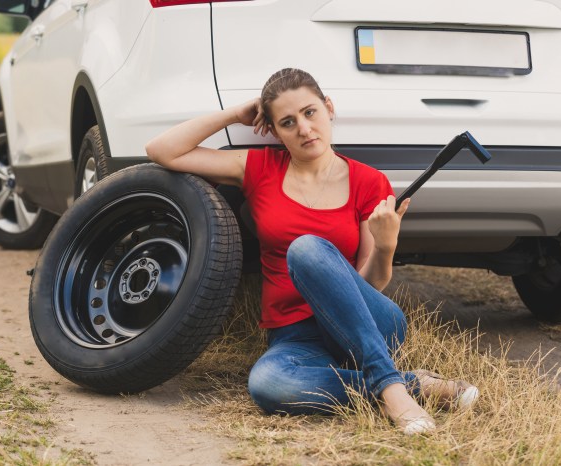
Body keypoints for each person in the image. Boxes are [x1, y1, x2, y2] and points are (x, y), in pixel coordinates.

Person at [146, 68, 478, 434]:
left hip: (368, 324)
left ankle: (391, 387)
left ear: (328, 108)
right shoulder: (258, 168)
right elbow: (161, 150)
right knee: (268, 384)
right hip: (295, 337)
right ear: (273, 131)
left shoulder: (369, 182)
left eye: (310, 112)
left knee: (306, 249)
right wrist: (234, 114)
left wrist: (385, 246)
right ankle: (415, 385)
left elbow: (373, 285)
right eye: (287, 122)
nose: (304, 129)